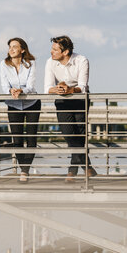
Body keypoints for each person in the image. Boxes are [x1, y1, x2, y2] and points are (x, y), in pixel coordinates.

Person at [44, 35, 97, 183]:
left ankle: (72, 172)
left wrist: (70, 90)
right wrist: (58, 90)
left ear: (65, 52)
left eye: (55, 49)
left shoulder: (82, 60)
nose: (51, 52)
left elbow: (83, 86)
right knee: (69, 135)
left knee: (80, 136)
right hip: (62, 101)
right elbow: (47, 88)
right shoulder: (50, 63)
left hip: (80, 100)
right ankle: (88, 168)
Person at [0, 37, 41, 183]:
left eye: (14, 46)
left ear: (22, 49)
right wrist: (11, 90)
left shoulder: (31, 64)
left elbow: (31, 85)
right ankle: (24, 168)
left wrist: (21, 90)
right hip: (14, 104)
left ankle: (25, 170)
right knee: (17, 139)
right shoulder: (4, 64)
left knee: (31, 138)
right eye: (10, 46)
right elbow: (4, 86)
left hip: (31, 103)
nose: (11, 49)